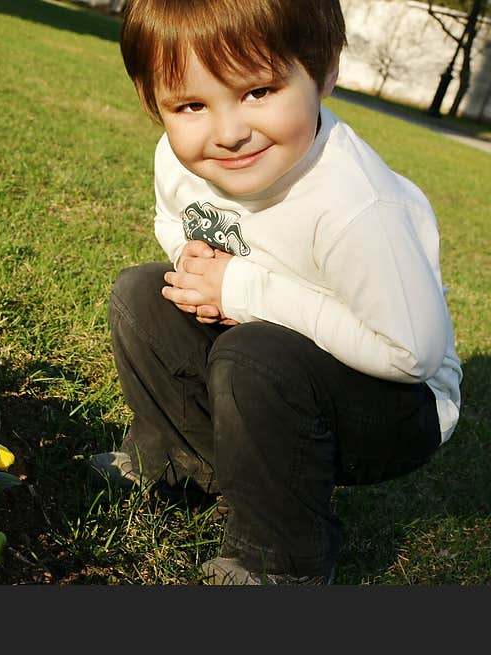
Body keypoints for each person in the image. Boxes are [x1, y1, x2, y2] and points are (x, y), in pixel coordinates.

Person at [90, 0, 463, 585]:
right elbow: (175, 221)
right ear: (153, 103)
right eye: (190, 105)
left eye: (258, 91)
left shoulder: (354, 205)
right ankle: (179, 466)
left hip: (397, 405)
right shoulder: (179, 158)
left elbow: (408, 354)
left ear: (323, 70)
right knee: (141, 293)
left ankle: (281, 562)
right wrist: (190, 261)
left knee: (257, 356)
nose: (230, 133)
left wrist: (245, 290)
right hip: (272, 346)